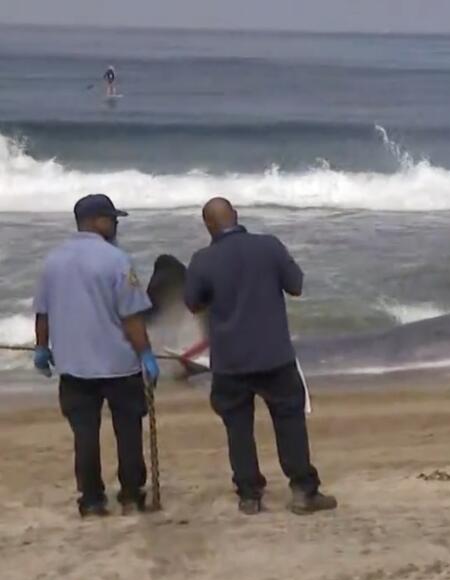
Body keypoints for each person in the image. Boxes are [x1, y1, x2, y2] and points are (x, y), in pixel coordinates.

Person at [183, 197, 336, 515]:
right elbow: (296, 286)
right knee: (289, 421)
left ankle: (250, 494)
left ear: (208, 225)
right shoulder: (269, 246)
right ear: (236, 217)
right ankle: (303, 491)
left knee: (238, 427)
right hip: (274, 355)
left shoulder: (203, 259)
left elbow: (193, 303)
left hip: (229, 359)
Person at [32, 193, 161, 518]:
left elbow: (42, 313)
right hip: (119, 365)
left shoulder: (53, 261)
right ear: (96, 221)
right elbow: (132, 317)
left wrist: (42, 347)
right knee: (128, 431)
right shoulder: (117, 260)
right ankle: (132, 496)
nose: (115, 225)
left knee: (85, 435)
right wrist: (146, 354)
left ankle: (91, 499)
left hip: (74, 367)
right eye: (112, 219)